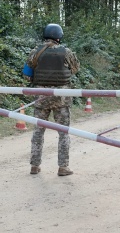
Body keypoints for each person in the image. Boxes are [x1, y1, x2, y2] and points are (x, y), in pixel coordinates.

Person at [23, 23, 80, 176]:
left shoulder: (35, 52)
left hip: (41, 99)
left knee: (38, 132)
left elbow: (27, 74)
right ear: (59, 36)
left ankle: (34, 166)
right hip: (61, 99)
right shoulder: (66, 52)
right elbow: (74, 70)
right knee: (63, 133)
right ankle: (63, 167)